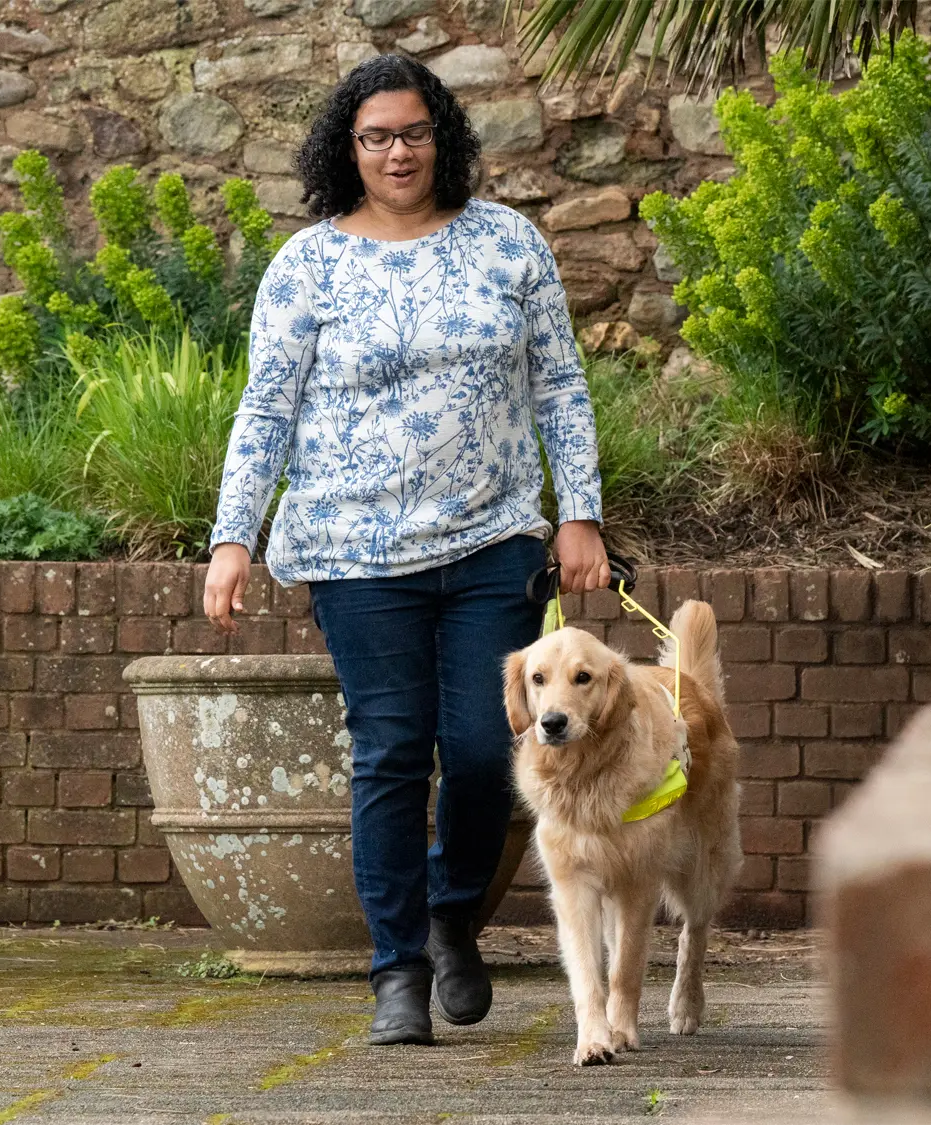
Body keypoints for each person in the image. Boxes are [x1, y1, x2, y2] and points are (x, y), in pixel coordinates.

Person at [203, 53, 609, 1047]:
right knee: (388, 752)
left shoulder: (508, 244)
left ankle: (449, 914)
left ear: (443, 138)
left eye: (414, 132)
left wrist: (579, 514)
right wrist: (232, 537)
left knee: (483, 751)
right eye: (376, 136)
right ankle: (395, 970)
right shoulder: (308, 265)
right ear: (347, 148)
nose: (397, 151)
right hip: (351, 549)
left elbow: (559, 387)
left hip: (490, 537)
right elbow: (266, 405)